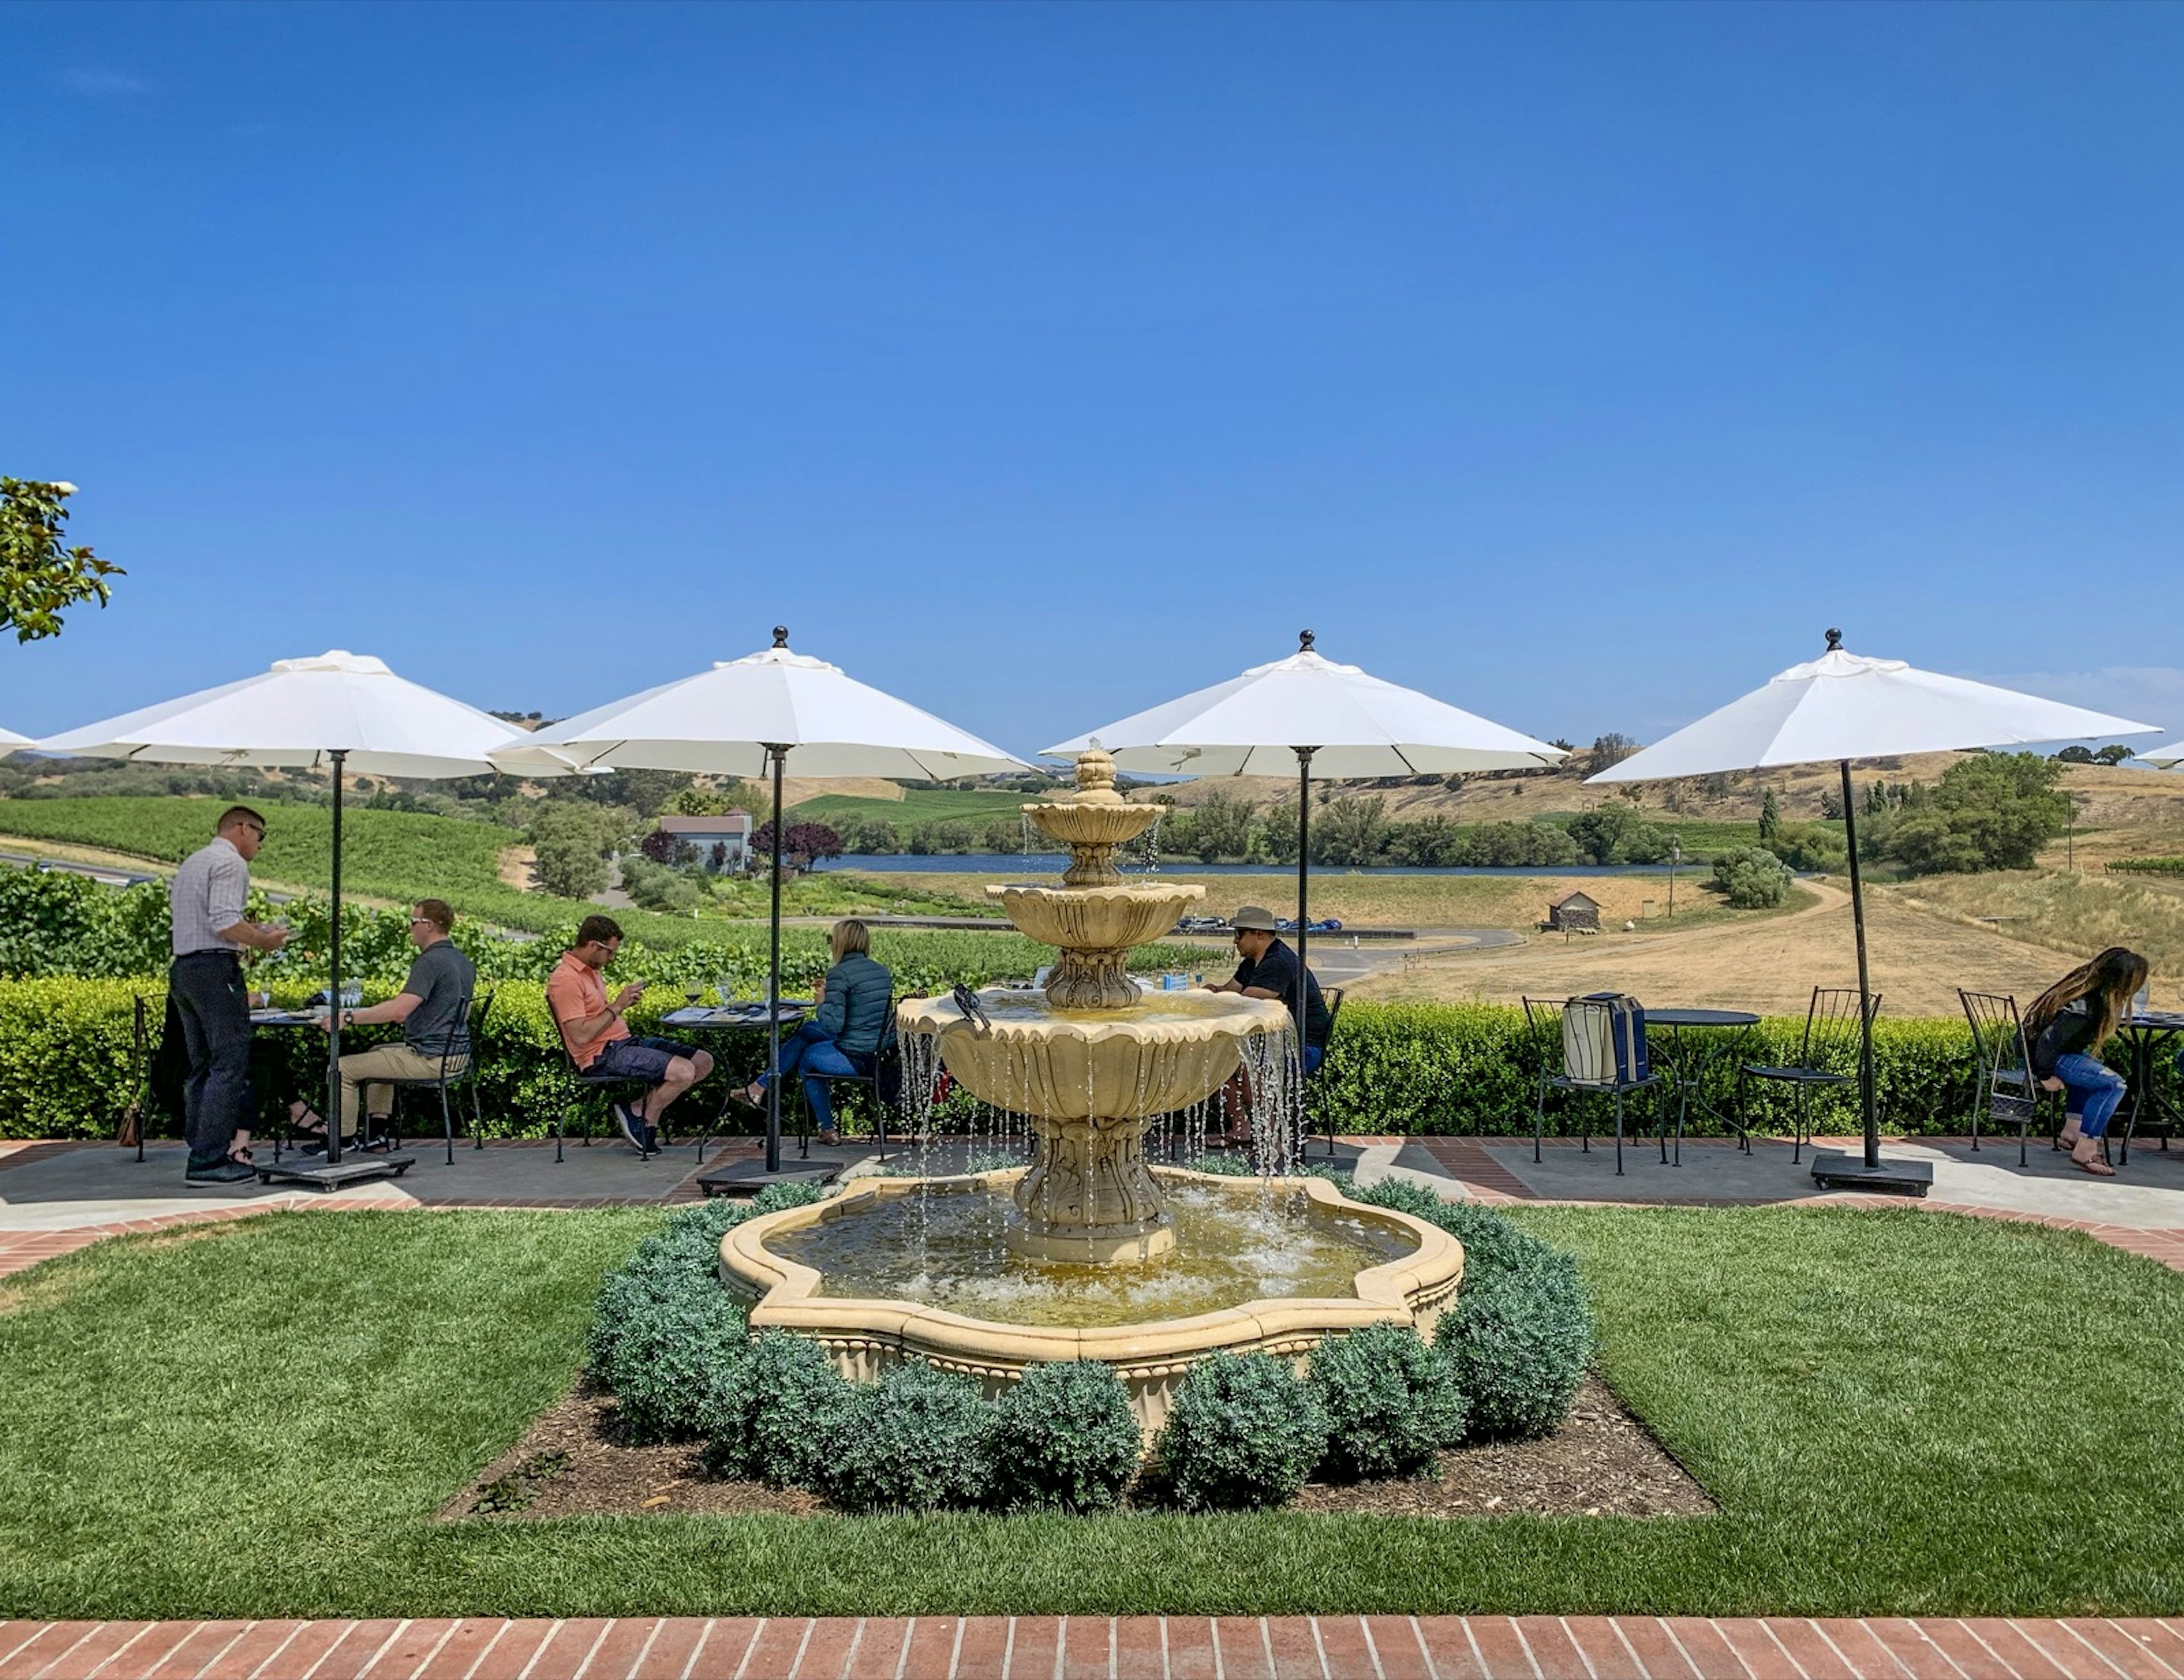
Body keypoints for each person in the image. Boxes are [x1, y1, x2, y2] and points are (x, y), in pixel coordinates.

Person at [168, 805, 288, 1184]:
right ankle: (210, 1159)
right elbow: (224, 923)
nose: (259, 844)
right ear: (242, 828)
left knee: (201, 1064)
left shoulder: (193, 863)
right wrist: (264, 940)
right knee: (229, 1061)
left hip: (185, 969)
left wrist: (251, 933)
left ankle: (200, 1150)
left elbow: (209, 920)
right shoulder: (232, 864)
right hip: (216, 969)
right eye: (260, 835)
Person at [307, 899, 477, 1148]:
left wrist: (349, 1017)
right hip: (457, 1057)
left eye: (413, 922)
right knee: (378, 1053)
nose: (410, 929)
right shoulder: (462, 960)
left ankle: (341, 1141)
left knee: (341, 1069)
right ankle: (377, 1136)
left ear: (428, 925)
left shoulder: (430, 961)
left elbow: (400, 1009)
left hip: (431, 1059)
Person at [545, 913, 712, 1156]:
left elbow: (597, 1017)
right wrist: (617, 1006)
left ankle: (637, 1108)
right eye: (610, 952)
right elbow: (580, 1037)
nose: (612, 959)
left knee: (703, 1062)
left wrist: (620, 1007)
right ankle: (647, 1120)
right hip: (601, 1056)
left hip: (624, 1044)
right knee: (684, 1071)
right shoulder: (566, 980)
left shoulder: (591, 971)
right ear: (593, 945)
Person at [732, 918, 893, 1147]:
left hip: (856, 1056)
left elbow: (832, 1026)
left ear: (840, 942)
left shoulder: (840, 973)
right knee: (807, 1030)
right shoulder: (881, 971)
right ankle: (759, 1087)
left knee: (808, 1058)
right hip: (876, 1050)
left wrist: (821, 1003)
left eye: (831, 940)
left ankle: (828, 1129)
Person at [1203, 904, 1331, 1143]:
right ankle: (1242, 1128)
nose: (1235, 941)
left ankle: (1271, 1135)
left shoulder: (1278, 962)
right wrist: (1212, 991)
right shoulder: (1253, 962)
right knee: (1216, 1063)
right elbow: (1230, 992)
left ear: (1259, 935)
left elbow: (1243, 1002)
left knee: (1241, 1065)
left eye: (1239, 934)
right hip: (1277, 1043)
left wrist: (1215, 1000)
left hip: (1304, 1048)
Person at [2024, 946, 2149, 1178]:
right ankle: (2086, 1148)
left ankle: (2072, 1132)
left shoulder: (2086, 988)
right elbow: (2049, 1041)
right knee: (2113, 1085)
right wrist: (2045, 1076)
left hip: (2046, 1053)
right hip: (2045, 1057)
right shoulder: (2083, 1008)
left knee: (2091, 1071)